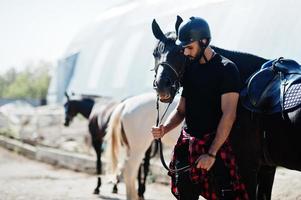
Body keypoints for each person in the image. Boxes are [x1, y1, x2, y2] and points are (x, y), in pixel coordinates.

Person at [152, 16, 249, 200]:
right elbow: (181, 110)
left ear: (204, 42)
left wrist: (211, 154)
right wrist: (165, 128)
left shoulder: (227, 69)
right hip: (187, 146)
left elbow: (229, 115)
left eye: (189, 47)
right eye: (184, 48)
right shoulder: (190, 69)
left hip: (214, 148)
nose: (186, 53)